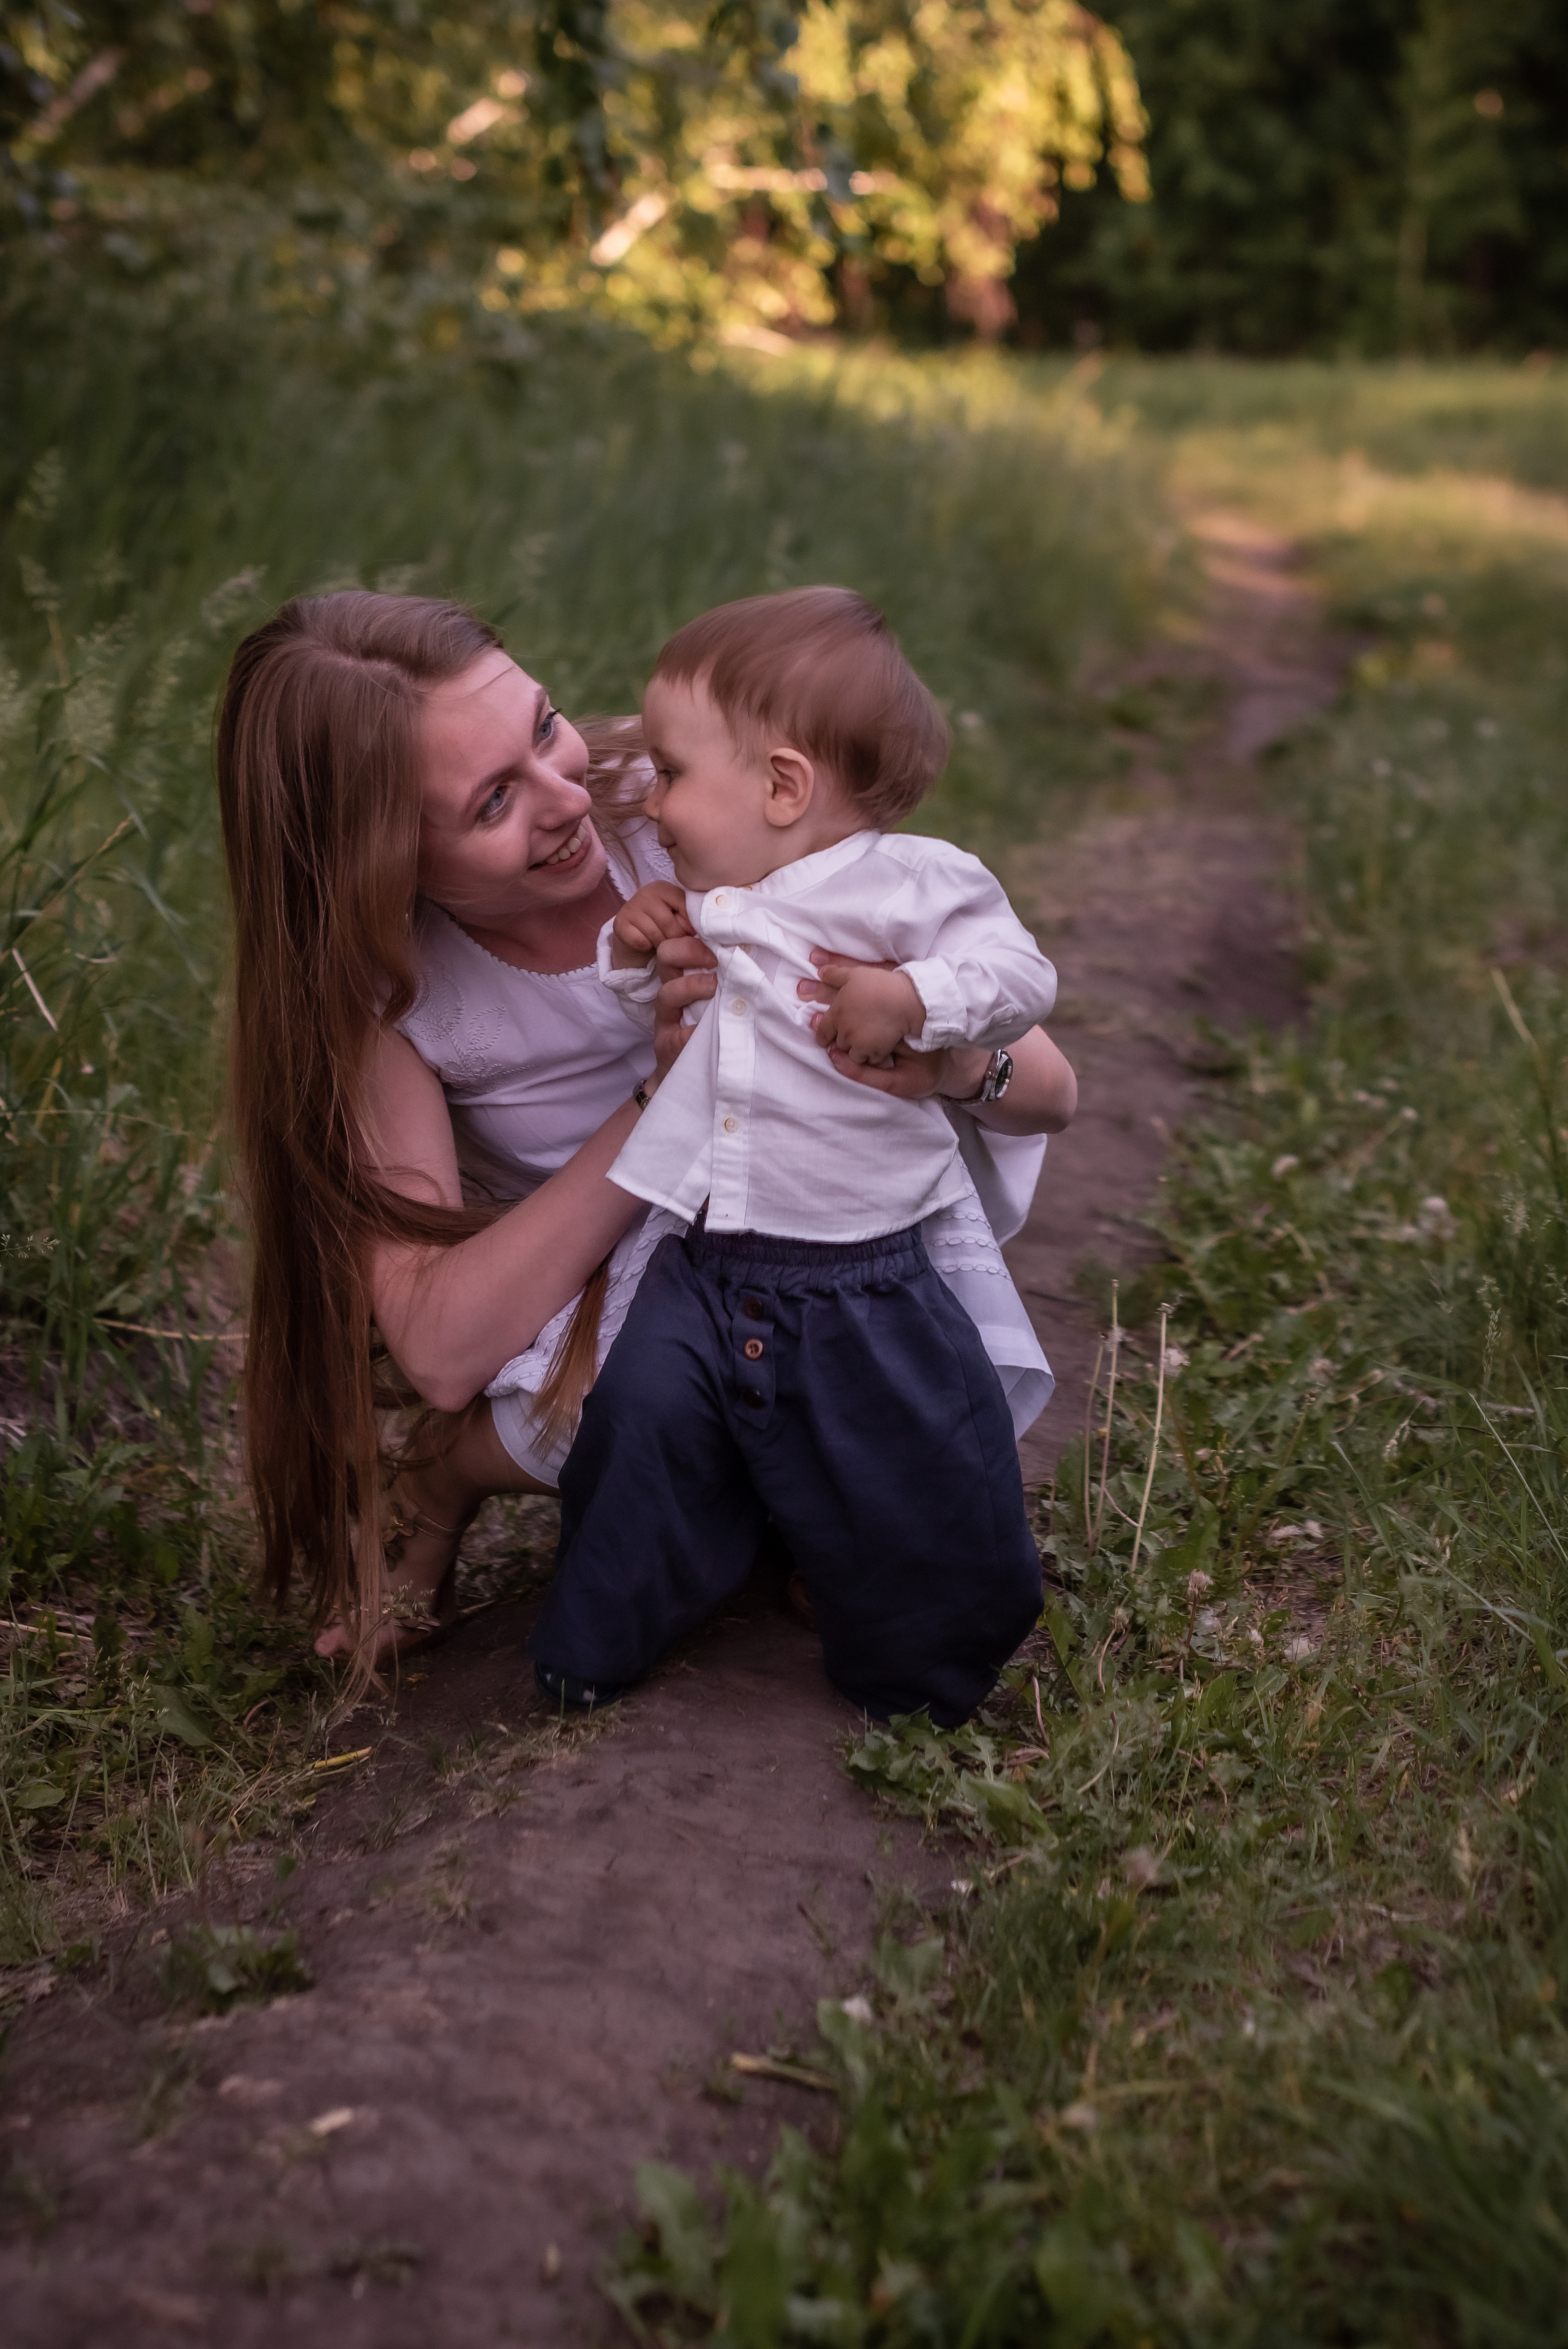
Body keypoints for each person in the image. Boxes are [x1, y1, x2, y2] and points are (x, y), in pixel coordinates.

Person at [216, 589, 1074, 1683]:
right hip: (635, 1289)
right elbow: (436, 1346)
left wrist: (946, 1060)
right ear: (382, 865)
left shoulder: (677, 801)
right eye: (490, 805)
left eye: (543, 724)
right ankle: (446, 1478)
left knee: (906, 1383)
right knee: (659, 1415)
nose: (564, 796)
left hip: (827, 1232)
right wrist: (671, 1097)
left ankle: (793, 1509)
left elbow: (1051, 1091)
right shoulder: (394, 1001)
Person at [529, 587, 1077, 1726]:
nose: (654, 802)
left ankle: (927, 1669)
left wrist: (916, 1000)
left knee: (910, 1459)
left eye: (673, 773)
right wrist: (635, 952)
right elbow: (656, 1004)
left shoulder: (908, 884)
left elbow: (1022, 978)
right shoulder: (716, 898)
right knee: (639, 1429)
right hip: (707, 1253)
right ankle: (597, 1636)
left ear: (783, 786)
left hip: (858, 1267)